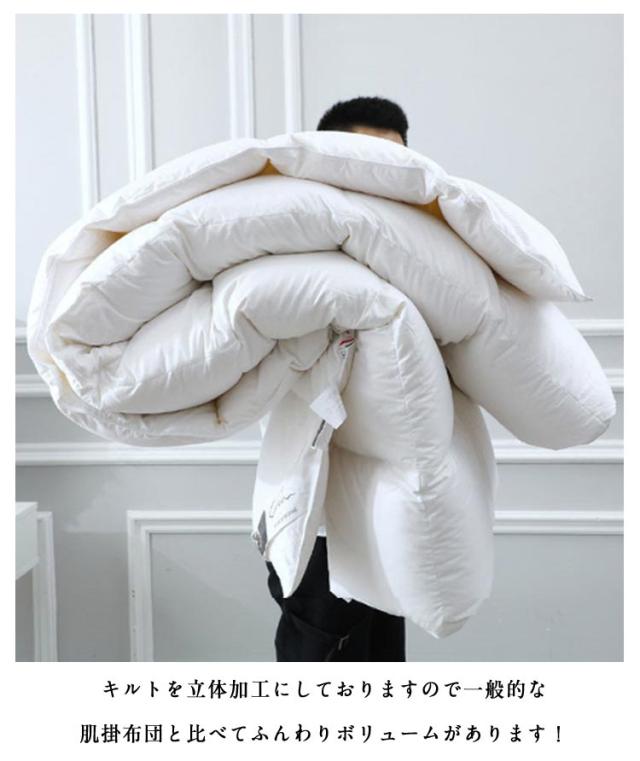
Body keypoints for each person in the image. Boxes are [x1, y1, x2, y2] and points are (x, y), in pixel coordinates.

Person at [265, 96, 409, 662]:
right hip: (316, 516)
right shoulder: (291, 245)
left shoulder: (412, 254)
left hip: (390, 504)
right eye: (368, 160)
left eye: (396, 162)